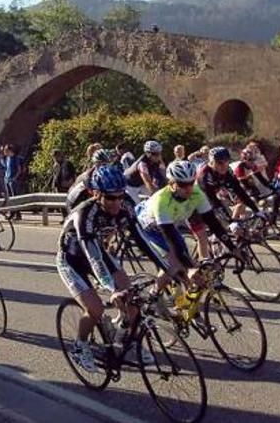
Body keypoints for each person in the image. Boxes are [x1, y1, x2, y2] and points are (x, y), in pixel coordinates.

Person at [56, 165, 158, 371]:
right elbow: (93, 256)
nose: (117, 203)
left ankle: (124, 342)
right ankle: (80, 345)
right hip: (72, 258)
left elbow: (143, 241)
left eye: (121, 196)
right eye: (111, 198)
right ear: (96, 193)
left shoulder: (126, 206)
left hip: (99, 254)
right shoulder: (85, 213)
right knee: (95, 309)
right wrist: (112, 290)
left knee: (133, 300)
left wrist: (170, 271)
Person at [135, 161, 244, 294]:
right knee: (174, 265)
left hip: (168, 225)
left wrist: (232, 247)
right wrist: (188, 267)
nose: (188, 188)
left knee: (186, 262)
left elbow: (213, 223)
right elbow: (169, 237)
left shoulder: (196, 194)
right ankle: (154, 294)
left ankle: (184, 301)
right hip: (147, 227)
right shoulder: (162, 200)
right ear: (172, 183)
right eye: (182, 184)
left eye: (191, 183)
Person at [66, 148, 116, 212]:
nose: (106, 167)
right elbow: (96, 196)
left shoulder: (104, 174)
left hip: (85, 198)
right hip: (75, 202)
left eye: (109, 164)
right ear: (96, 163)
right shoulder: (88, 176)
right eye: (103, 164)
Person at [2, 145, 25, 220]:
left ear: (10, 150)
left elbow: (19, 170)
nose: (4, 152)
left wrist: (15, 178)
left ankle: (18, 214)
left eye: (6, 150)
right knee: (10, 198)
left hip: (13, 180)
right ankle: (12, 213)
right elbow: (7, 168)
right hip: (7, 179)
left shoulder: (16, 158)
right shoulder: (7, 158)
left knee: (14, 197)